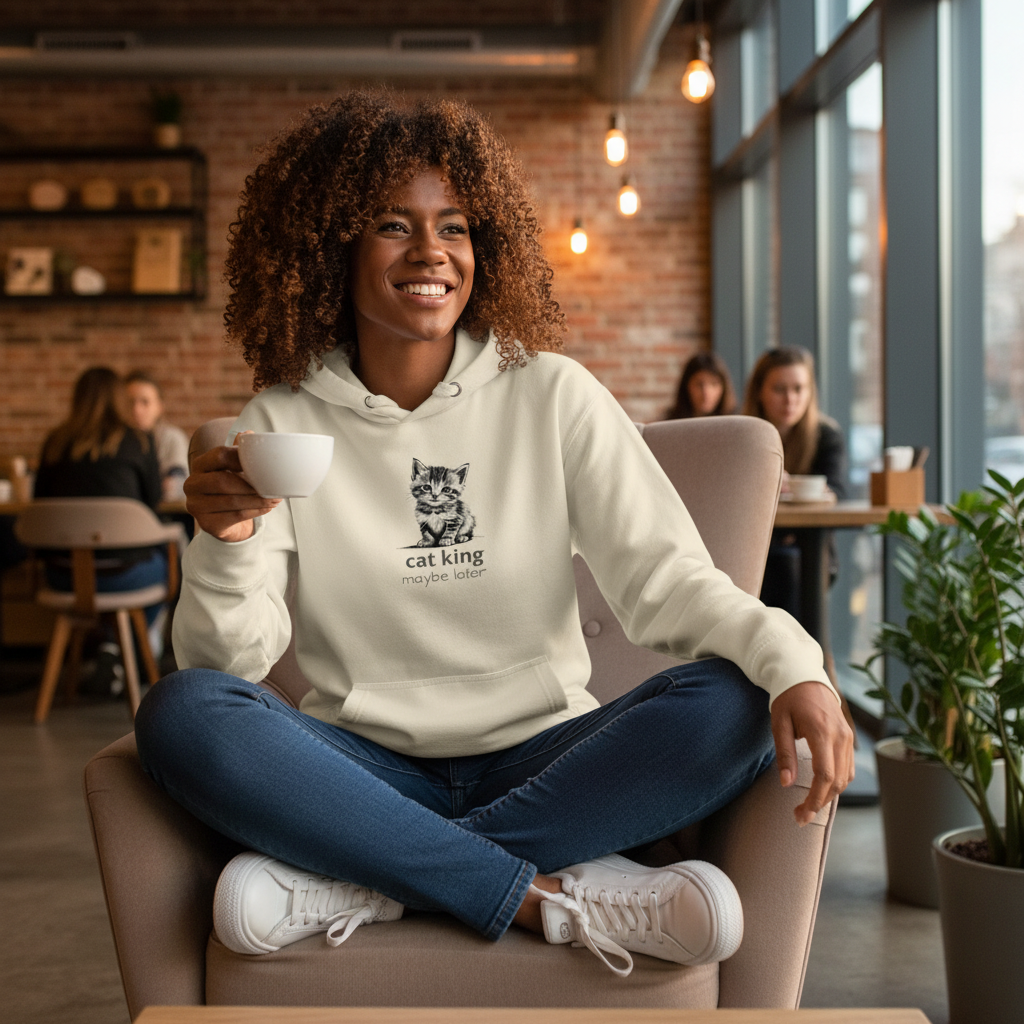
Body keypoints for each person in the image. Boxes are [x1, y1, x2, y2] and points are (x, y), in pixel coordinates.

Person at [134, 92, 853, 978]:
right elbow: (227, 663)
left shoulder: (553, 394)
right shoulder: (281, 421)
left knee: (736, 700)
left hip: (546, 759)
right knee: (183, 712)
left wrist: (795, 661)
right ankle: (536, 891)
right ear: (334, 248)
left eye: (457, 227)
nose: (432, 251)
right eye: (394, 224)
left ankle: (365, 875)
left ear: (486, 248)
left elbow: (667, 581)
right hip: (363, 766)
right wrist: (229, 540)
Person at [35, 366, 168, 692]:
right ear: (119, 399)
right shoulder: (139, 440)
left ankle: (110, 649)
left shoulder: (54, 442)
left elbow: (38, 501)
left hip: (61, 575)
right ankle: (124, 655)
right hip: (124, 574)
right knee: (168, 564)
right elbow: (154, 502)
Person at [742, 346, 847, 621]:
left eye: (799, 389)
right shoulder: (742, 437)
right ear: (759, 391)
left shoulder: (826, 436)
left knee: (788, 568)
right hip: (752, 548)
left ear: (810, 392)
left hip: (809, 551)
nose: (790, 399)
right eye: (779, 389)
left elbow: (837, 490)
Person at [125, 370, 190, 501]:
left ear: (159, 407)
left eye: (145, 402)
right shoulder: (114, 442)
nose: (136, 410)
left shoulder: (171, 438)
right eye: (130, 402)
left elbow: (176, 487)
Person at [665, 351, 737, 419]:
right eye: (699, 384)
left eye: (713, 384)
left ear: (724, 387)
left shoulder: (735, 422)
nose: (706, 392)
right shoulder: (670, 424)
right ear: (686, 386)